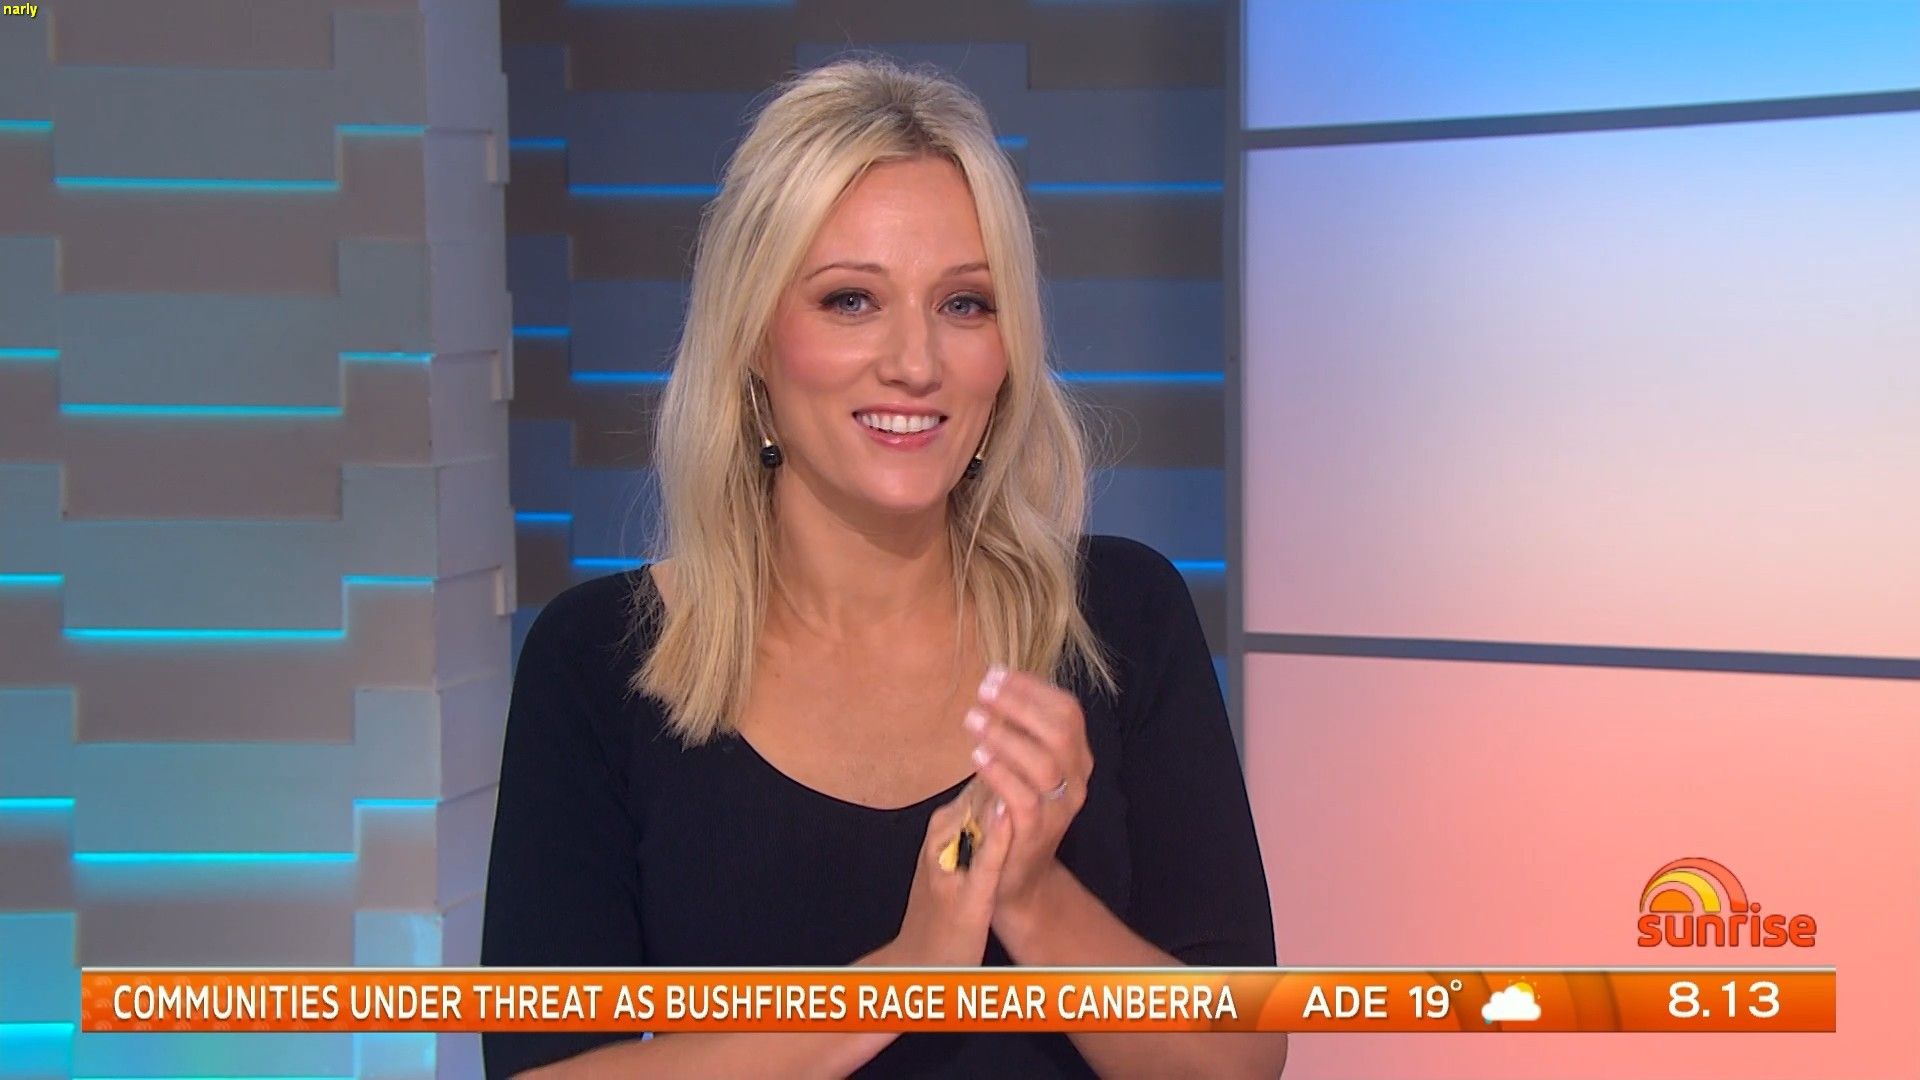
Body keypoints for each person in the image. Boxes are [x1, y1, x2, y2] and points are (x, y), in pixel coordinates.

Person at [479, 54, 1285, 1079]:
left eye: (965, 304)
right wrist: (903, 975)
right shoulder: (599, 659)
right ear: (753, 341)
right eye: (851, 300)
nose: (915, 363)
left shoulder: (1122, 618)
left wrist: (1032, 899)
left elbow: (1241, 1059)